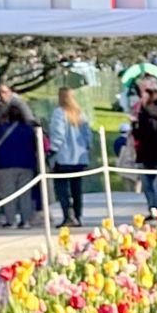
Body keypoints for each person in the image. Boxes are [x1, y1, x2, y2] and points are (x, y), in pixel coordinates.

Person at [0, 101, 40, 228]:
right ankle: (25, 220)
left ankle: (11, 221)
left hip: (4, 165)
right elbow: (36, 145)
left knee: (7, 194)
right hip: (26, 164)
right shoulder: (28, 129)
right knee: (25, 194)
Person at [47, 88, 95, 228]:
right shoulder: (80, 113)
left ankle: (68, 215)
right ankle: (78, 215)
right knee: (76, 188)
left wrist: (52, 150)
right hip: (79, 158)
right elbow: (88, 134)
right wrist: (86, 148)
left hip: (63, 156)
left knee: (62, 188)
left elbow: (58, 134)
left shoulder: (59, 113)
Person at [133, 85, 157, 212]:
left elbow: (143, 134)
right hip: (153, 153)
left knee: (153, 184)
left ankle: (156, 208)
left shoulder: (147, 116)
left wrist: (135, 126)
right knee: (153, 185)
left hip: (149, 153)